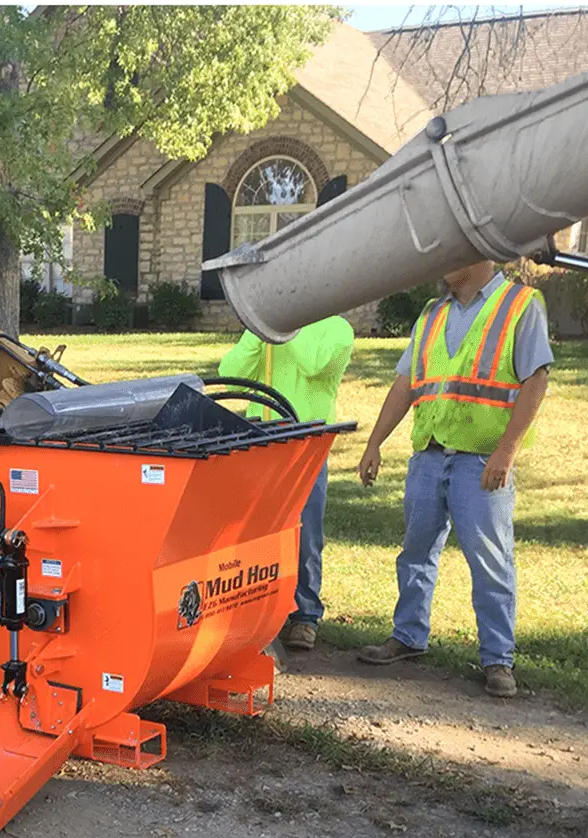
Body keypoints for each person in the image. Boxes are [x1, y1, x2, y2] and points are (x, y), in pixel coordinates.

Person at [356, 261, 552, 698]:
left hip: (481, 460)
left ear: (480, 257)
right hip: (429, 454)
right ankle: (408, 635)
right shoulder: (432, 313)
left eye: (452, 253)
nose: (442, 262)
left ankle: (498, 658)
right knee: (415, 552)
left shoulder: (520, 305)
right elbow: (406, 383)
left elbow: (535, 381)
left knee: (490, 562)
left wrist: (506, 452)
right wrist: (375, 442)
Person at [218, 315, 354, 652]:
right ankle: (260, 614)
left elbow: (314, 365)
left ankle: (305, 616)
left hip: (307, 449)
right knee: (256, 535)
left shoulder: (338, 329)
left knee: (305, 535)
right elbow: (230, 372)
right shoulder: (269, 330)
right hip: (264, 446)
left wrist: (286, 324)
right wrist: (258, 331)